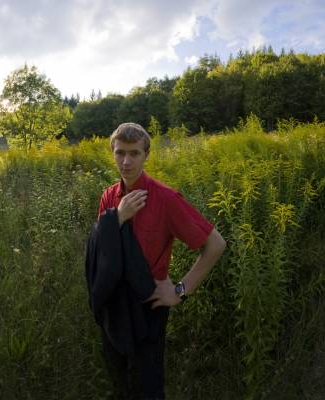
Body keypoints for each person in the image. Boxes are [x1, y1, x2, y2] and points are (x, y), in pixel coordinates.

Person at [91, 122, 226, 399]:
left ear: (146, 154)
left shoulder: (165, 199)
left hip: (148, 307)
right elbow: (101, 251)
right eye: (119, 153)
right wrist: (117, 217)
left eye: (134, 153)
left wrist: (180, 290)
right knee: (118, 381)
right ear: (112, 153)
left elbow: (215, 244)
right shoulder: (109, 196)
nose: (126, 162)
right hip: (114, 307)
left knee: (147, 386)